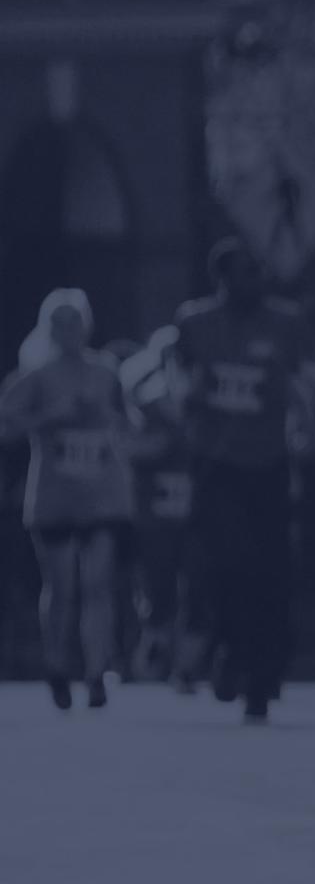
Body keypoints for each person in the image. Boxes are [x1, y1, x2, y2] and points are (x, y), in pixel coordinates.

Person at [168, 239, 315, 723]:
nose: (254, 281)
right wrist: (191, 392)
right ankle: (230, 651)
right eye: (243, 273)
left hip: (268, 464)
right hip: (214, 463)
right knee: (224, 563)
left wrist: (302, 404)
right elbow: (175, 386)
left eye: (258, 272)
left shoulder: (287, 323)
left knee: (271, 568)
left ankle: (262, 675)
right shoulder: (194, 323)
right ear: (220, 278)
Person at [0, 290, 137, 710]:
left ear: (87, 325)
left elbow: (129, 422)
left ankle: (97, 672)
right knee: (61, 587)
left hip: (101, 495)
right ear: (48, 329)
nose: (69, 331)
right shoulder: (35, 377)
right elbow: (6, 427)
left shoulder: (106, 371)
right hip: (55, 497)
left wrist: (108, 419)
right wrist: (50, 416)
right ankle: (57, 666)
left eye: (75, 322)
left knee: (98, 585)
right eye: (60, 324)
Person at [119, 326, 200, 692]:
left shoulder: (202, 392)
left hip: (194, 507)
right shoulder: (144, 392)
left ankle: (184, 663)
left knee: (193, 585)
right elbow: (133, 448)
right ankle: (151, 655)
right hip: (155, 509)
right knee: (155, 587)